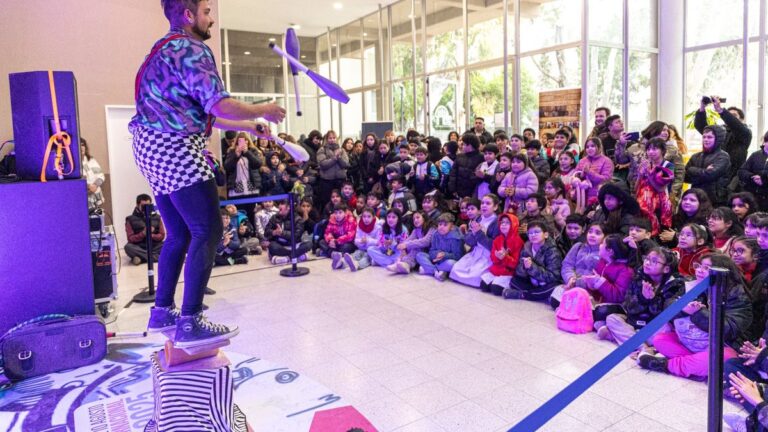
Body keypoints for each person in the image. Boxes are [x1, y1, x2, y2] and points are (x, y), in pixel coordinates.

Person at [131, 0, 289, 345]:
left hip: (148, 147)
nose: (211, 18)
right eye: (206, 11)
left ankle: (161, 313)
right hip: (174, 146)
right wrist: (265, 108)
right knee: (209, 229)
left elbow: (205, 112)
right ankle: (190, 320)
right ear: (189, 15)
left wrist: (249, 125)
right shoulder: (191, 48)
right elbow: (218, 103)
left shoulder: (160, 51)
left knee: (179, 234)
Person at [694, 96, 752, 190]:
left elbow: (736, 125)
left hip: (734, 177)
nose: (730, 117)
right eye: (729, 115)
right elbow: (701, 126)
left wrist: (721, 110)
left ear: (741, 119)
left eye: (734, 115)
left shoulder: (745, 133)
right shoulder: (720, 131)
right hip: (715, 173)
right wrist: (702, 108)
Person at [503, 221, 564, 301]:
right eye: (530, 233)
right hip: (532, 282)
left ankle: (522, 294)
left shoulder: (553, 251)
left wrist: (532, 267)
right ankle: (536, 294)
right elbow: (519, 273)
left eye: (537, 232)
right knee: (514, 281)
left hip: (547, 284)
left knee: (554, 287)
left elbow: (553, 277)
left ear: (546, 235)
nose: (533, 235)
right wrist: (524, 267)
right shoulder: (527, 248)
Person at [684, 125, 731, 207]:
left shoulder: (723, 156)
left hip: (715, 200)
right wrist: (704, 171)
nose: (706, 140)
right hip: (696, 198)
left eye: (709, 137)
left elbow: (710, 175)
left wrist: (692, 170)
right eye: (704, 137)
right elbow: (685, 177)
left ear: (718, 139)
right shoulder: (696, 156)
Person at [479, 212, 523, 296]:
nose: (503, 225)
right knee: (483, 286)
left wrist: (505, 257)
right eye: (502, 222)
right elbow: (492, 257)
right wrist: (497, 257)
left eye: (507, 223)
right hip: (496, 269)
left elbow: (516, 263)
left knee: (496, 289)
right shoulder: (497, 239)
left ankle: (507, 284)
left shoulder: (518, 241)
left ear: (514, 224)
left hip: (508, 272)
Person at [416, 213, 465, 281]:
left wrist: (445, 255)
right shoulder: (435, 234)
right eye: (440, 224)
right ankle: (436, 271)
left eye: (445, 225)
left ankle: (429, 269)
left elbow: (458, 256)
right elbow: (431, 251)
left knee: (451, 264)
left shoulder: (456, 238)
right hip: (435, 260)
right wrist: (436, 254)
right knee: (419, 255)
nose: (441, 227)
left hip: (447, 261)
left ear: (452, 227)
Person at [264, 200, 310, 265]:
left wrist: (282, 233)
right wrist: (274, 232)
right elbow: (266, 232)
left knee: (308, 244)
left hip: (293, 245)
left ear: (288, 207)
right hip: (280, 246)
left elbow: (296, 236)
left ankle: (285, 258)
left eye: (282, 204)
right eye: (279, 203)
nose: (279, 206)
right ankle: (295, 256)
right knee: (272, 246)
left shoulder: (297, 218)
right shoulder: (274, 217)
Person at [125, 194, 165, 265]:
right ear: (137, 205)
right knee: (128, 247)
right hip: (139, 247)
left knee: (168, 244)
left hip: (154, 245)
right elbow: (130, 238)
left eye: (148, 206)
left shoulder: (157, 217)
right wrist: (143, 233)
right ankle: (158, 257)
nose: (146, 208)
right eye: (144, 206)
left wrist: (151, 235)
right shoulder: (130, 219)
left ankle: (141, 258)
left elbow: (162, 235)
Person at [316, 130, 349, 209]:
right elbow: (323, 164)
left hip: (340, 180)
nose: (332, 139)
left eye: (334, 138)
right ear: (326, 139)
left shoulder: (342, 150)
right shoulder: (322, 150)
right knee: (327, 201)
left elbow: (345, 164)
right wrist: (334, 158)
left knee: (341, 201)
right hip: (327, 181)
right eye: (330, 138)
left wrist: (339, 157)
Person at [224, 132, 262, 198]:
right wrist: (236, 156)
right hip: (237, 186)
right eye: (240, 140)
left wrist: (247, 152)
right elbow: (227, 167)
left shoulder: (253, 150)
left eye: (245, 140)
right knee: (238, 207)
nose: (243, 142)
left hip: (251, 185)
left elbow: (258, 164)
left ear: (248, 141)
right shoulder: (231, 151)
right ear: (237, 142)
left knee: (251, 206)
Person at [447, 133, 484, 199]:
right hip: (459, 192)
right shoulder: (459, 156)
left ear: (470, 145)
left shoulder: (482, 157)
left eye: (463, 144)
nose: (461, 146)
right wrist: (452, 189)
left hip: (475, 192)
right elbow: (453, 174)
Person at [738, 132, 768, 211]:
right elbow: (742, 171)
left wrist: (763, 179)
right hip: (753, 196)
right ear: (765, 142)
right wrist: (752, 177)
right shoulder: (755, 155)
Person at [80, 138, 105, 211]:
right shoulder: (73, 163)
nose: (82, 147)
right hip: (82, 197)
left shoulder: (91, 160)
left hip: (95, 198)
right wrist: (88, 186)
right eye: (79, 145)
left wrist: (95, 185)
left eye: (83, 145)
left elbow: (101, 176)